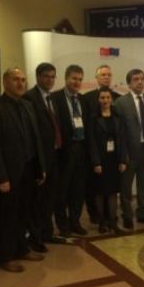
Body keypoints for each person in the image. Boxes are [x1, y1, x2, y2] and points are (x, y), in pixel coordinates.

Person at [0, 68, 46, 272]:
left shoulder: (28, 105)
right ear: (5, 82)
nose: (20, 83)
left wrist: (41, 167)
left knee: (24, 213)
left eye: (23, 80)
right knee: (7, 216)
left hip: (28, 169)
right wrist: (1, 177)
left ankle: (22, 249)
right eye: (15, 79)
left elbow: (36, 139)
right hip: (8, 174)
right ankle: (6, 256)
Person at [114, 68, 144, 228]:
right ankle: (127, 215)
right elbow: (118, 132)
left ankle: (143, 213)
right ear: (129, 83)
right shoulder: (120, 103)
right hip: (129, 151)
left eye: (142, 79)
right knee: (125, 186)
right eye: (136, 79)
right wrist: (122, 154)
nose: (140, 82)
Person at [23, 63, 64, 248]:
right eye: (46, 76)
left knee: (50, 198)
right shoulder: (29, 98)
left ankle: (47, 232)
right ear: (38, 76)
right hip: (40, 158)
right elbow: (31, 131)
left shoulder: (52, 97)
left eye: (53, 76)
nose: (50, 80)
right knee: (37, 200)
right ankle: (35, 237)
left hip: (55, 155)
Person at [52, 65, 89, 236]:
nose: (77, 82)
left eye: (80, 79)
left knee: (78, 190)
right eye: (74, 78)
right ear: (66, 78)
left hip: (81, 149)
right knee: (62, 190)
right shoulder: (55, 98)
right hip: (64, 151)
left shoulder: (83, 100)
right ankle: (63, 225)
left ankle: (75, 222)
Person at [83, 65, 120, 225]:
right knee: (96, 189)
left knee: (112, 190)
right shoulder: (87, 98)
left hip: (113, 155)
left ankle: (111, 217)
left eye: (109, 74)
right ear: (96, 77)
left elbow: (121, 135)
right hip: (97, 154)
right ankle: (97, 216)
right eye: (103, 74)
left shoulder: (118, 98)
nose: (106, 77)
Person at [88, 88, 127, 234]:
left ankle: (113, 222)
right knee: (100, 192)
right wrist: (95, 162)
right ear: (98, 100)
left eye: (108, 97)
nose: (105, 100)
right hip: (100, 160)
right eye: (102, 98)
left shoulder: (118, 117)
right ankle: (102, 223)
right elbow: (91, 141)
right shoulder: (93, 118)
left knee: (112, 192)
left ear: (112, 99)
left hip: (114, 159)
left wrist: (123, 160)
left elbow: (122, 140)